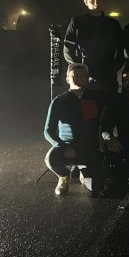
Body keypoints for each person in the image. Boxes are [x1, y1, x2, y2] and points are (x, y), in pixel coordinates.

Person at [44, 63, 106, 196]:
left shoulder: (95, 98)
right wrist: (63, 146)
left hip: (88, 149)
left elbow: (118, 100)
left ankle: (84, 173)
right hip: (66, 148)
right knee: (52, 159)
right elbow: (47, 131)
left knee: (97, 188)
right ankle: (64, 176)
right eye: (75, 75)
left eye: (83, 75)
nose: (80, 77)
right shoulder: (59, 101)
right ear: (67, 79)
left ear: (88, 78)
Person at [63, 0, 124, 93]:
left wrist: (112, 69)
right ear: (86, 2)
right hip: (84, 76)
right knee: (86, 107)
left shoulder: (113, 24)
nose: (96, 3)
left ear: (103, 1)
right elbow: (68, 48)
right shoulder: (77, 23)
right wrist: (79, 69)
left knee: (107, 106)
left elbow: (121, 50)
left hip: (107, 76)